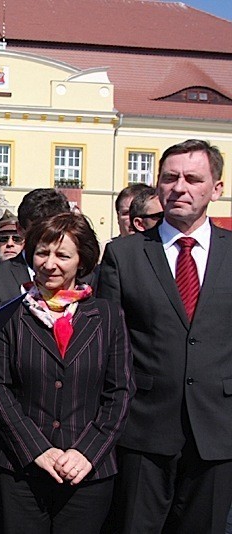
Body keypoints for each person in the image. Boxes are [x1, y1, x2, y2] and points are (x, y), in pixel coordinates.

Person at [98, 139, 232, 533]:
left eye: (193, 178)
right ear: (158, 185)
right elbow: (109, 343)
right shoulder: (124, 254)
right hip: (143, 429)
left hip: (218, 431)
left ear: (216, 188)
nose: (180, 187)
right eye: (170, 177)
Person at [0, 212, 133, 533]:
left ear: (82, 261)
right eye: (41, 252)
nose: (50, 264)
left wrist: (87, 452)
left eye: (63, 255)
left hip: (88, 472)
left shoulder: (107, 316)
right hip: (19, 468)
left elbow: (119, 391)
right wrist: (38, 449)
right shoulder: (9, 313)